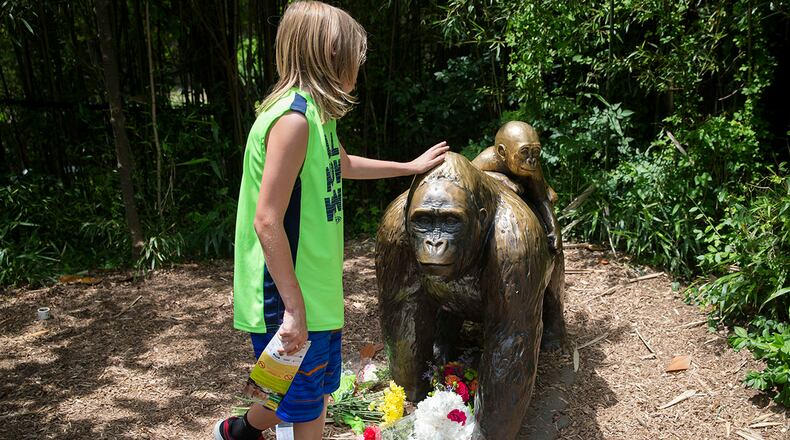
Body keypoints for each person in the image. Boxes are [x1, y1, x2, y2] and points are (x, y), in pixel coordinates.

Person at [213, 2, 449, 440]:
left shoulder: (318, 118)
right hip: (288, 291)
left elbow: (342, 164)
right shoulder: (293, 121)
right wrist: (293, 308)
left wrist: (409, 166)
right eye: (353, 59)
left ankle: (239, 432)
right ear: (330, 56)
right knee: (305, 408)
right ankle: (243, 431)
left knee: (309, 391)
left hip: (316, 289)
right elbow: (267, 221)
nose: (357, 70)